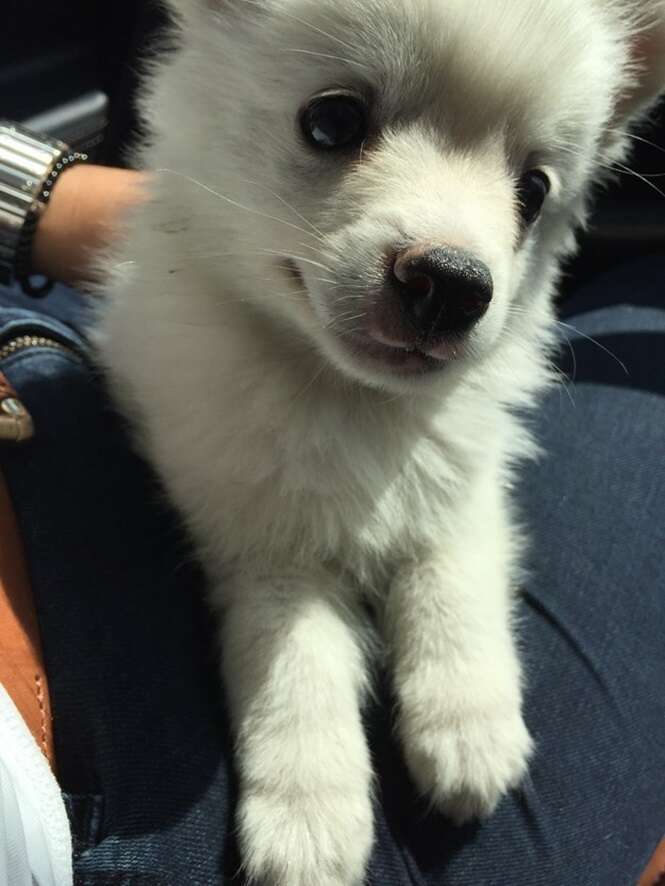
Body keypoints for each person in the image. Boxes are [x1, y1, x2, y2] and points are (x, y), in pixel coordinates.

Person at [0, 122, 663, 886]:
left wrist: (39, 198)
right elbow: (262, 565)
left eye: (527, 188)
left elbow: (439, 491)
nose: (460, 238)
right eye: (339, 122)